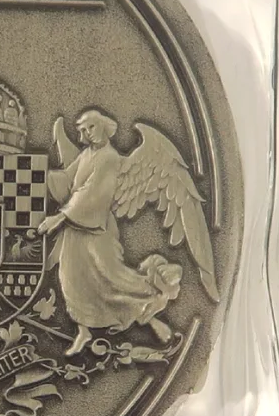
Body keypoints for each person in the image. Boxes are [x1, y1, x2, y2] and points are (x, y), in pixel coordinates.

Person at [37, 109, 182, 356]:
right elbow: (68, 181)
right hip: (74, 229)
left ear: (104, 126)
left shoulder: (109, 158)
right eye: (83, 130)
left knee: (111, 279)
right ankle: (83, 330)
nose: (87, 134)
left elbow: (92, 193)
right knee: (71, 279)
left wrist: (59, 217)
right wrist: (39, 175)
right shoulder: (87, 155)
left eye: (90, 127)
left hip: (96, 228)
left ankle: (151, 310)